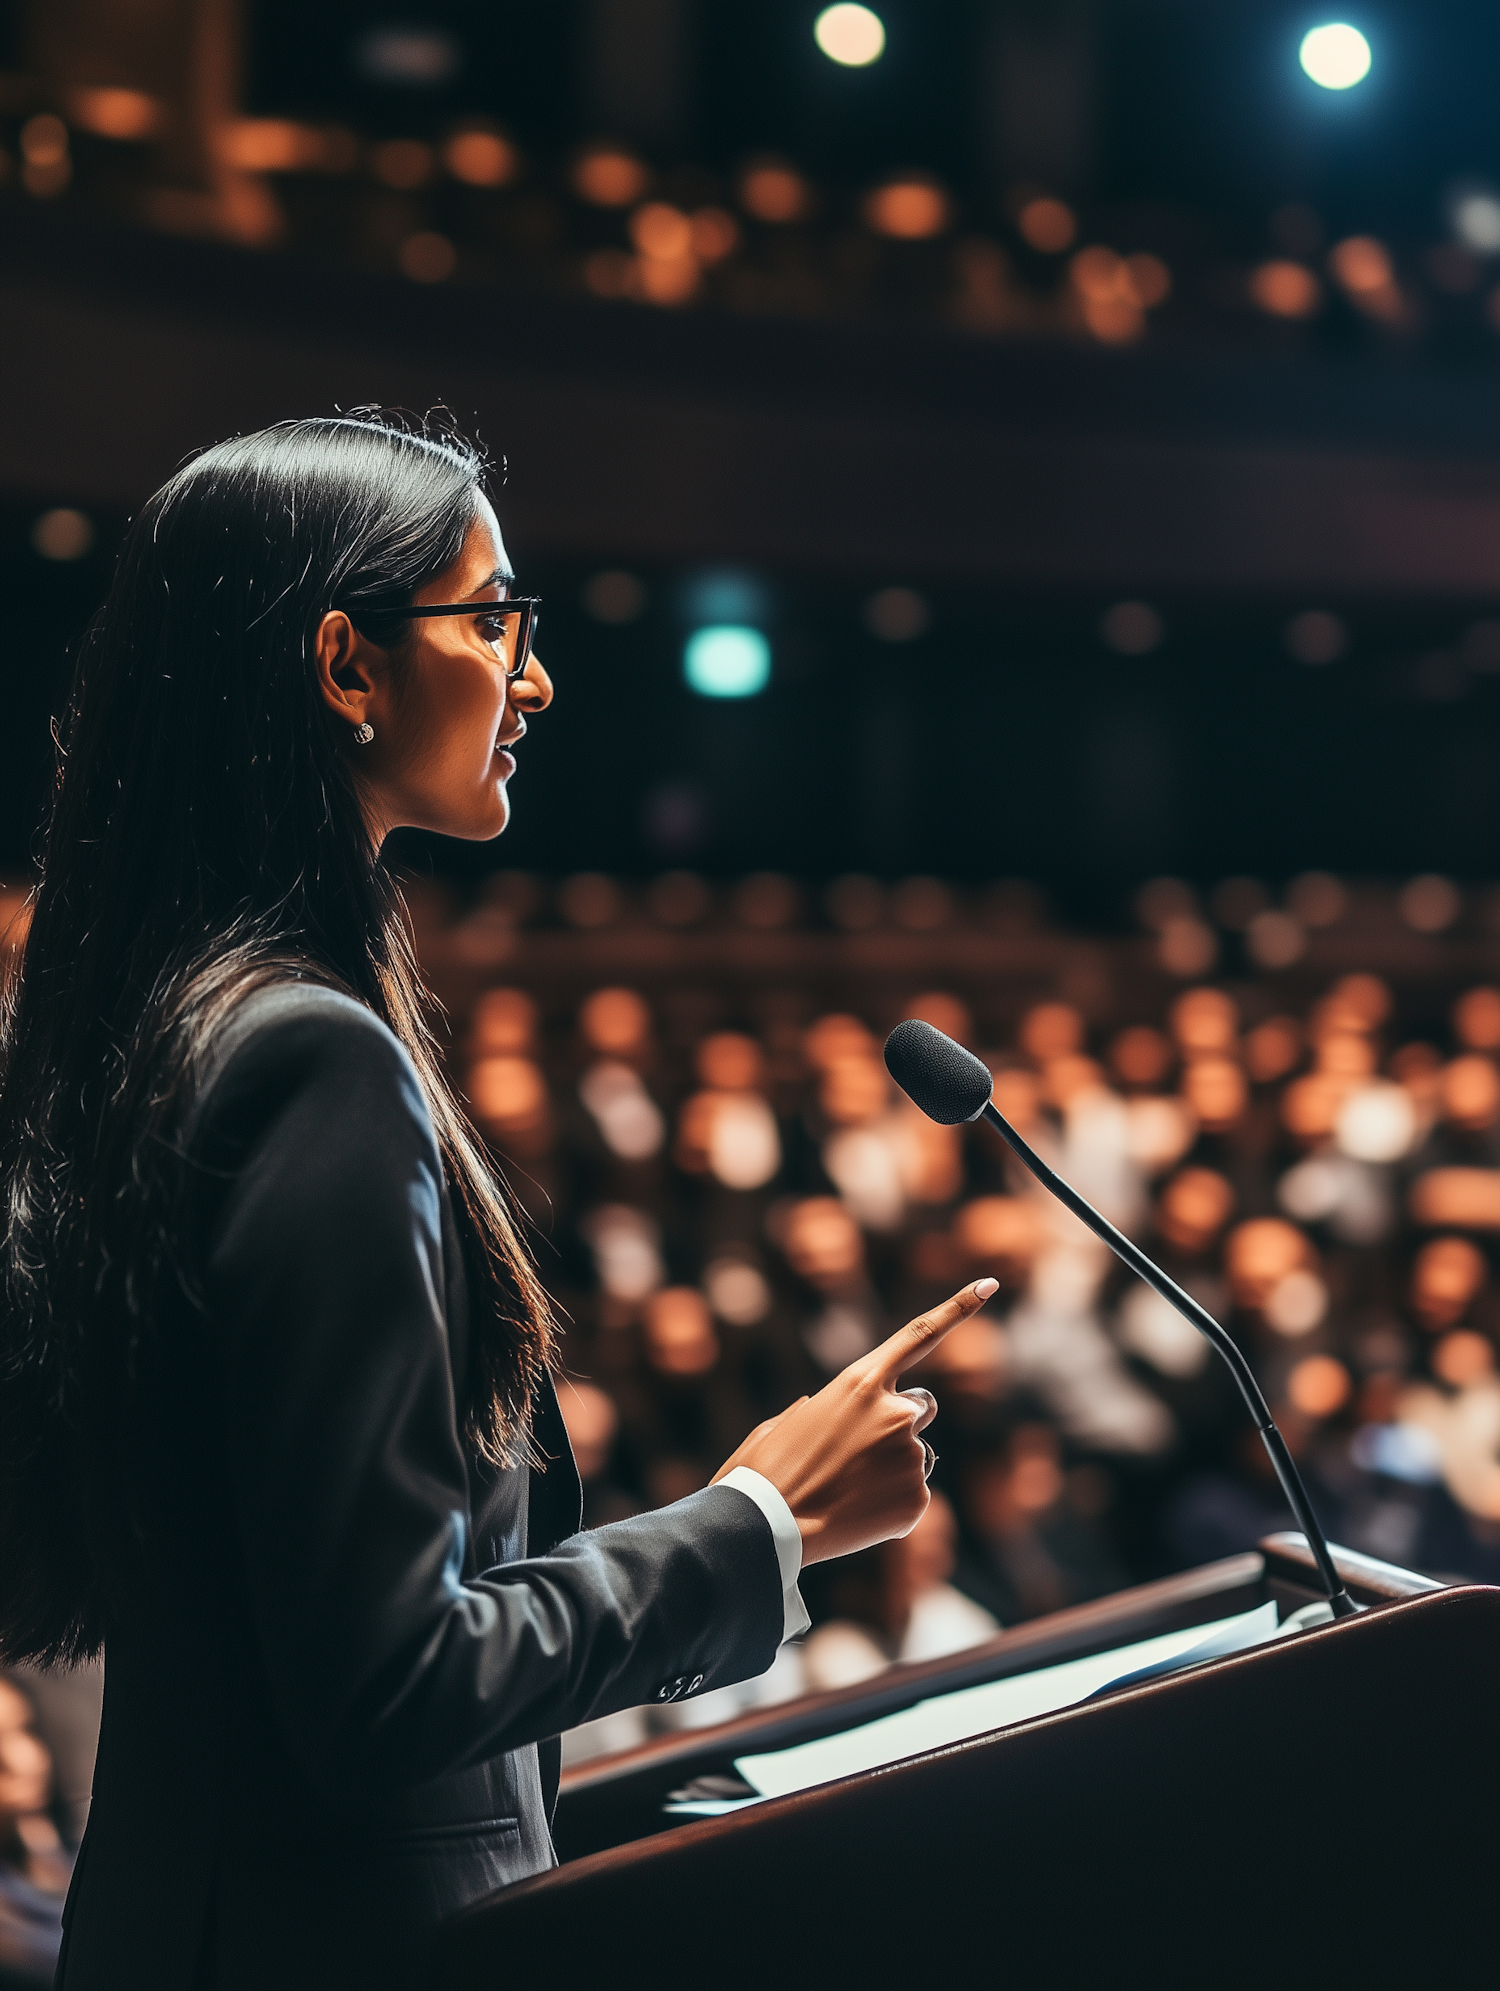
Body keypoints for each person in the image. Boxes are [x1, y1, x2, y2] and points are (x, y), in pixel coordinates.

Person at [0, 412, 995, 1990]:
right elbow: (388, 1677)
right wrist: (762, 1521)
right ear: (347, 664)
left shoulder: (157, 1026)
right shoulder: (304, 1057)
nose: (532, 677)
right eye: (492, 618)